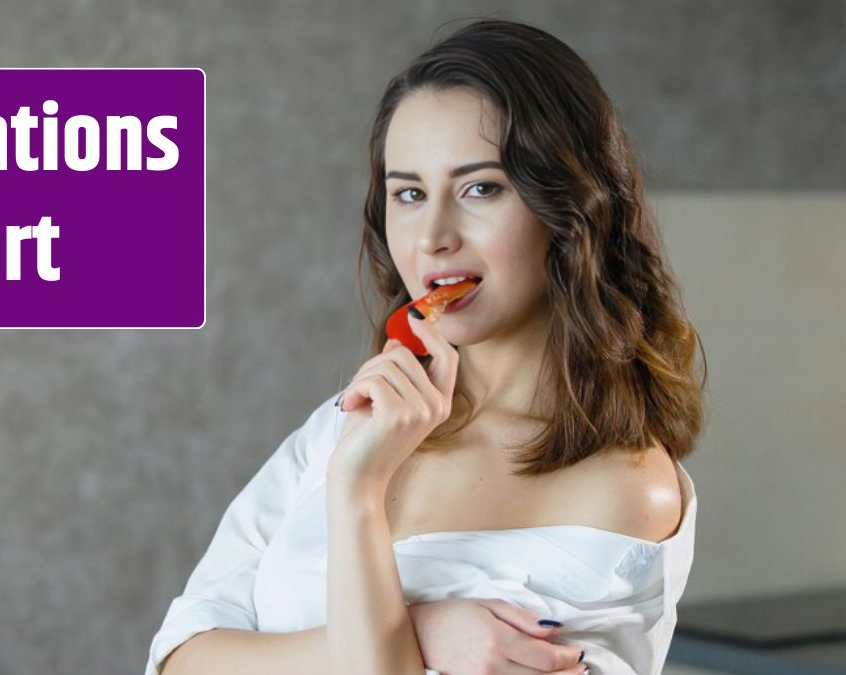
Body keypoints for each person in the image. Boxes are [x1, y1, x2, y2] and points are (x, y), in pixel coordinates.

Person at [145, 17, 706, 675]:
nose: (433, 235)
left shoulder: (623, 490)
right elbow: (179, 656)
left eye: (479, 188)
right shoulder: (346, 424)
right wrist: (416, 631)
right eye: (409, 193)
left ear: (568, 209)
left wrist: (358, 496)